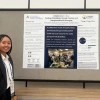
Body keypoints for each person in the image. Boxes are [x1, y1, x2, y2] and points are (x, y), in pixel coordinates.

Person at [0, 34, 17, 100]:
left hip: (8, 91)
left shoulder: (9, 58)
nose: (6, 45)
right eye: (3, 43)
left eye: (9, 43)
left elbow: (10, 78)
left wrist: (13, 94)